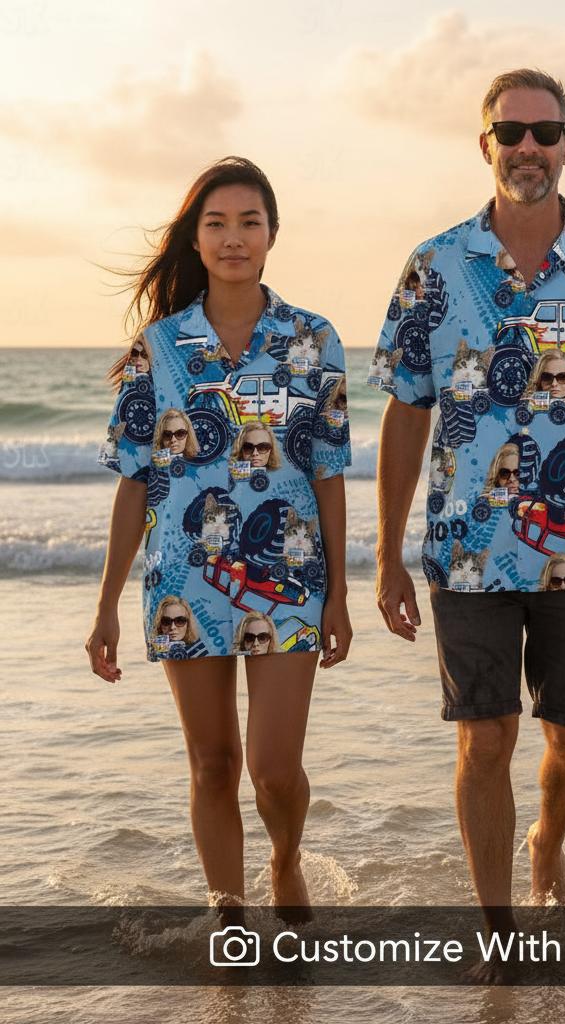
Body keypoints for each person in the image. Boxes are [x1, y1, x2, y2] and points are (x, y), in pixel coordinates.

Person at [369, 69, 565, 937]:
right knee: (485, 740)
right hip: (465, 550)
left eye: (544, 133)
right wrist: (386, 550)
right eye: (510, 134)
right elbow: (406, 410)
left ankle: (546, 844)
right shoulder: (434, 266)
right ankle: (499, 930)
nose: (528, 149)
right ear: (486, 147)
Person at [86, 156, 353, 923]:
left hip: (290, 580)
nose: (234, 238)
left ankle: (285, 858)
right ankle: (228, 914)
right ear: (195, 241)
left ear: (272, 235)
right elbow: (134, 478)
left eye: (249, 222)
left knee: (272, 771)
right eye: (217, 224)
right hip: (182, 582)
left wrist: (338, 593)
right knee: (211, 763)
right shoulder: (159, 347)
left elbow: (328, 472)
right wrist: (104, 605)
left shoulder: (313, 339)